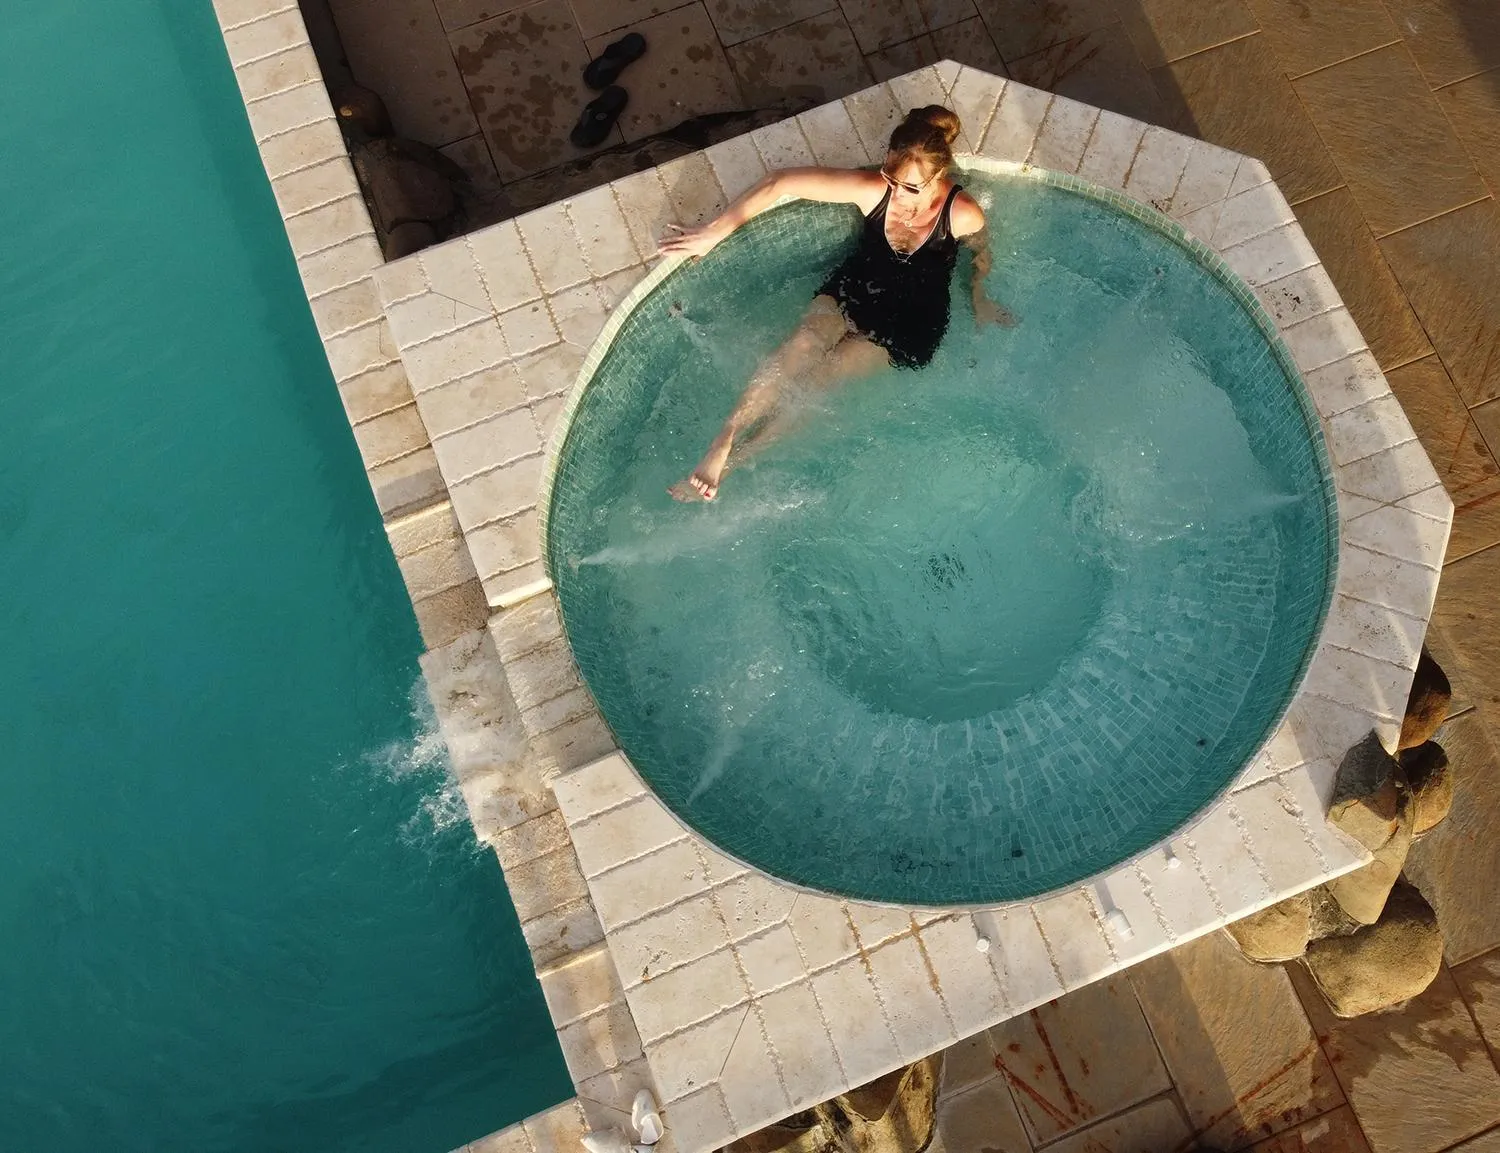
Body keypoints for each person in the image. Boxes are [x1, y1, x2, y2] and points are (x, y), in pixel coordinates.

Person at [660, 105, 1014, 502]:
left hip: (910, 321)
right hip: (858, 287)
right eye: (891, 179)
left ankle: (736, 461)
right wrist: (713, 233)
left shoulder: (962, 214)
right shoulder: (874, 190)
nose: (897, 194)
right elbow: (780, 182)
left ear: (938, 177)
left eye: (911, 188)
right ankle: (723, 439)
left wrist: (979, 297)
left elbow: (981, 253)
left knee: (825, 377)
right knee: (805, 341)